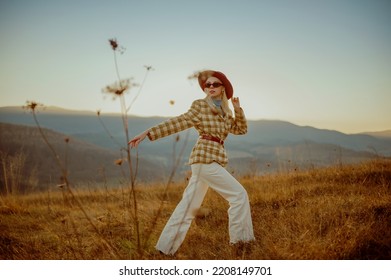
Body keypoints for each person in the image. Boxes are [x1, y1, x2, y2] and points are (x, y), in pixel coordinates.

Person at [128, 70, 255, 255]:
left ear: (223, 89)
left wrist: (237, 110)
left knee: (188, 208)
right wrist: (148, 133)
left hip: (213, 161)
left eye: (215, 84)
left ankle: (164, 249)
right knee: (239, 195)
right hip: (204, 160)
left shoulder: (226, 113)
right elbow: (179, 122)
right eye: (207, 85)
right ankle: (241, 243)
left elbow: (241, 129)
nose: (210, 87)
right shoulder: (200, 106)